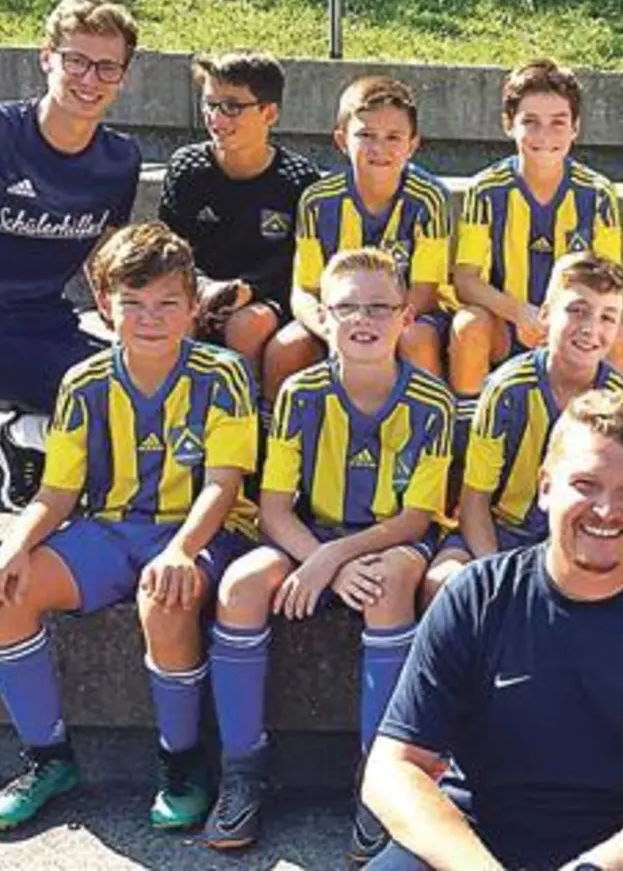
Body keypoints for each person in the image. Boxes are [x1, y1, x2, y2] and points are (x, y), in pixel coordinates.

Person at [361, 389, 623, 870]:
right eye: (586, 484)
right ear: (545, 488)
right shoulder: (478, 595)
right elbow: (391, 770)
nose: (606, 510)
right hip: (479, 843)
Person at [0, 222, 259, 832]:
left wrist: (181, 551)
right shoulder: (85, 382)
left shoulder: (223, 374)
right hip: (110, 530)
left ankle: (182, 764)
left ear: (192, 307)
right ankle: (47, 759)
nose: (150, 318)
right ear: (104, 305)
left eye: (166, 304)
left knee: (166, 595)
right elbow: (58, 490)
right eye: (132, 304)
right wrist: (14, 547)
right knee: (3, 589)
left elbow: (223, 483)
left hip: (199, 532)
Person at [202, 247, 455, 862]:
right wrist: (322, 558)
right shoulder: (299, 393)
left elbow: (414, 519)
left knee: (391, 583)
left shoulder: (432, 402)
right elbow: (275, 508)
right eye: (346, 308)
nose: (362, 319)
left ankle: (379, 780)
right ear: (324, 316)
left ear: (404, 317)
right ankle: (243, 770)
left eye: (378, 306)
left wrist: (334, 560)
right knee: (240, 584)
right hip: (307, 536)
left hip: (388, 541)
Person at [0, 0, 142, 564]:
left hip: (40, 324)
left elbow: (107, 254)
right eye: (75, 60)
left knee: (128, 387)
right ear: (46, 58)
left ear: (122, 77)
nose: (89, 79)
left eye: (106, 67)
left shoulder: (120, 160)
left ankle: (23, 437)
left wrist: (132, 322)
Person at [421, 252, 623, 605]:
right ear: (546, 313)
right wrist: (496, 568)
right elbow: (474, 501)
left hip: (580, 535)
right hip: (499, 530)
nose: (591, 329)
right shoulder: (507, 389)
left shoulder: (621, 402)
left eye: (607, 317)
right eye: (577, 310)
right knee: (442, 583)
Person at [450, 58, 623, 453]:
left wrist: (559, 321)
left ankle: (618, 447)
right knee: (469, 325)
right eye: (530, 121)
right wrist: (520, 312)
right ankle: (465, 459)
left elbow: (609, 280)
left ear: (576, 127)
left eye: (558, 122)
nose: (544, 134)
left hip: (574, 323)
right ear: (508, 124)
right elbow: (465, 279)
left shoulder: (597, 193)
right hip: (508, 324)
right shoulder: (487, 190)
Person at [264, 75, 456, 401]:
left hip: (404, 315)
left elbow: (425, 290)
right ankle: (272, 439)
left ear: (412, 144)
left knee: (416, 342)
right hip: (338, 316)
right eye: (365, 135)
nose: (379, 148)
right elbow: (304, 289)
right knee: (286, 348)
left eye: (393, 137)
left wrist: (377, 326)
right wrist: (330, 327)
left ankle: (431, 438)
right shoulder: (317, 201)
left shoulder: (429, 199)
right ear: (341, 140)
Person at [157, 51, 320, 383]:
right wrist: (200, 285)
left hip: (266, 292)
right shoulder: (187, 168)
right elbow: (167, 243)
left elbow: (297, 258)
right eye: (209, 104)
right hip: (198, 286)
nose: (216, 117)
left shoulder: (298, 179)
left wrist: (249, 288)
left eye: (231, 106)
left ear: (269, 112)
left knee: (246, 326)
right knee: (176, 319)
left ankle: (243, 415)